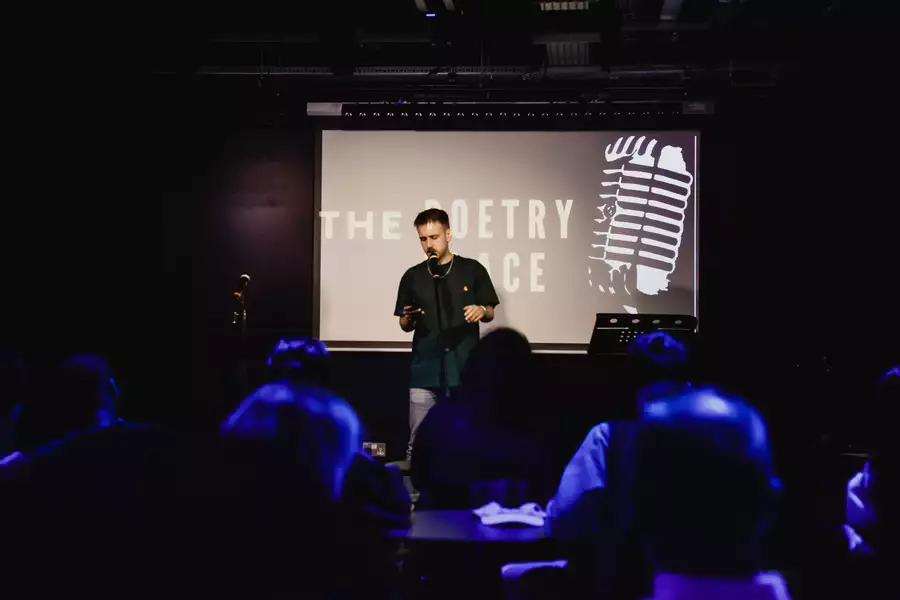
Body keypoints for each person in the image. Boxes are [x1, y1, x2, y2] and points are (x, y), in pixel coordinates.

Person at [394, 208, 499, 462]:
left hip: (463, 371)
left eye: (434, 237)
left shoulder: (471, 269)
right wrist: (409, 318)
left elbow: (490, 312)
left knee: (465, 442)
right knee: (418, 444)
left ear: (448, 235)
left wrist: (480, 309)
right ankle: (415, 487)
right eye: (423, 239)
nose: (428, 244)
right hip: (424, 371)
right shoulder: (412, 276)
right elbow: (404, 324)